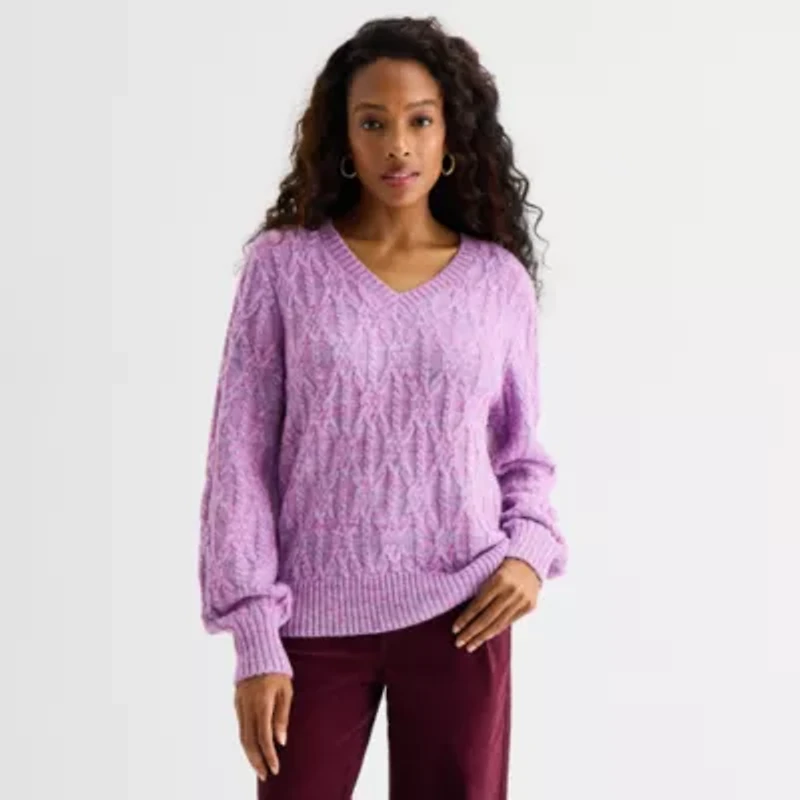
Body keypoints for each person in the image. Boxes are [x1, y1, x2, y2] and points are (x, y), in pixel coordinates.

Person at [198, 14, 568, 800]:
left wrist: (530, 550)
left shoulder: (497, 282)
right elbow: (239, 459)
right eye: (373, 123)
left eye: (419, 121)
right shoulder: (284, 269)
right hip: (310, 625)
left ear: (450, 132)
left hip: (464, 612)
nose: (398, 145)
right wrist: (255, 636)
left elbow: (522, 452)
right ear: (344, 137)